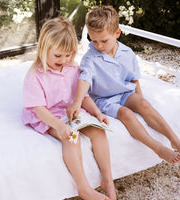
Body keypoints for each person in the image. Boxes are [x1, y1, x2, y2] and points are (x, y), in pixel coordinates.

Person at [67, 5, 180, 164]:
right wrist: (77, 103)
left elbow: (134, 80)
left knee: (144, 103)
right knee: (126, 114)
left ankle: (175, 141)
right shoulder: (90, 58)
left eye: (104, 40)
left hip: (124, 93)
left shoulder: (127, 53)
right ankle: (158, 148)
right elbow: (84, 80)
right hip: (104, 99)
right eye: (94, 41)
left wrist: (141, 102)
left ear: (117, 33)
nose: (99, 46)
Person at [22, 16, 116, 200]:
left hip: (70, 112)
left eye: (69, 55)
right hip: (48, 115)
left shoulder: (72, 68)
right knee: (72, 137)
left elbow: (83, 97)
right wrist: (58, 126)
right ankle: (84, 188)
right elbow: (39, 109)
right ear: (44, 49)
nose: (64, 60)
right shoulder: (35, 76)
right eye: (58, 55)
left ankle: (108, 179)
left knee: (99, 132)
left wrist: (97, 113)